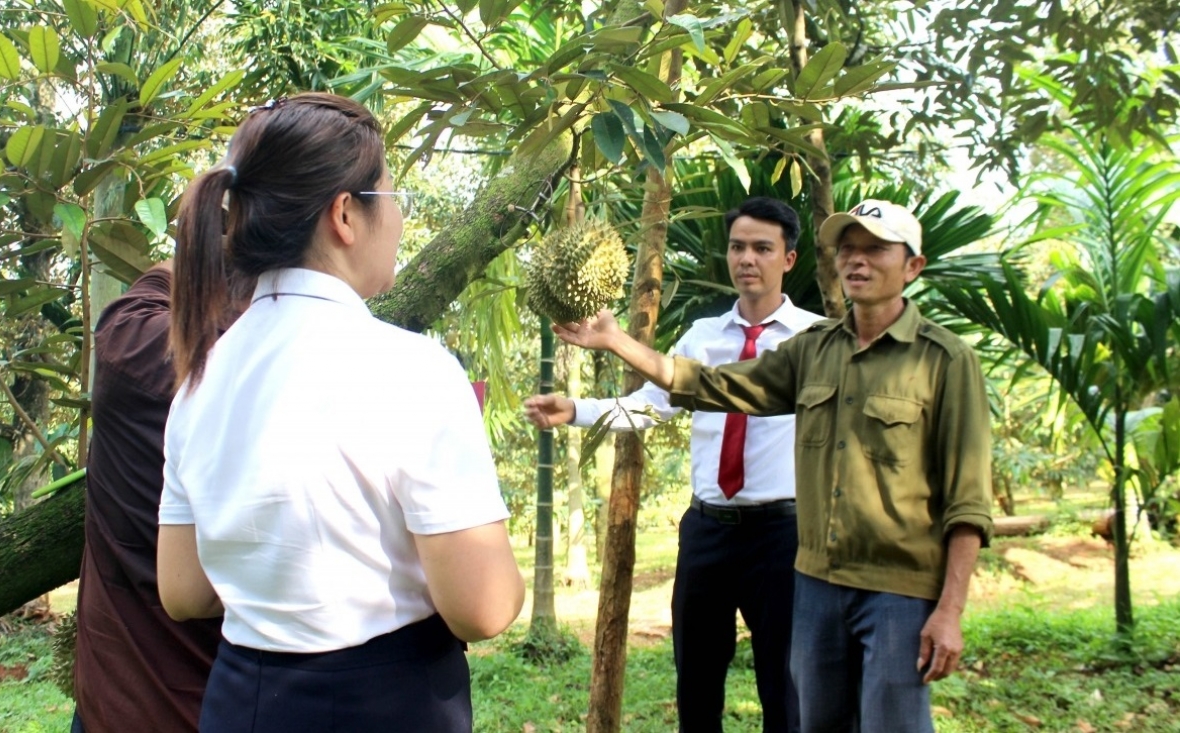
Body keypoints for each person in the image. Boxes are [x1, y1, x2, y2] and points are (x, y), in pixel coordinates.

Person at [156, 93, 525, 732]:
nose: (401, 219)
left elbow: (183, 590)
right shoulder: (411, 367)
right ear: (345, 215)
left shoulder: (201, 378)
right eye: (391, 196)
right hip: (382, 702)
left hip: (241, 701)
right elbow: (482, 608)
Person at [550, 200, 993, 733]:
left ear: (912, 266)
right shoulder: (811, 350)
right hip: (792, 565)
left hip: (855, 565)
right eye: (848, 249)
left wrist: (949, 608)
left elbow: (966, 496)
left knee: (850, 713)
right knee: (772, 705)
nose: (858, 260)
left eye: (876, 249)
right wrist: (604, 361)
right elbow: (710, 386)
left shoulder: (940, 359)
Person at [524, 198, 820, 733]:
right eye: (737, 247)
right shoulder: (701, 338)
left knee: (788, 687)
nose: (746, 258)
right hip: (707, 531)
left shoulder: (815, 341)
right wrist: (576, 410)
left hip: (783, 535)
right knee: (696, 684)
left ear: (789, 259)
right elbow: (650, 409)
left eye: (761, 248)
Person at [72, 262, 223, 733]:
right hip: (233, 703)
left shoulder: (130, 341)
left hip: (117, 704)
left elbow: (165, 277)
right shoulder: (281, 378)